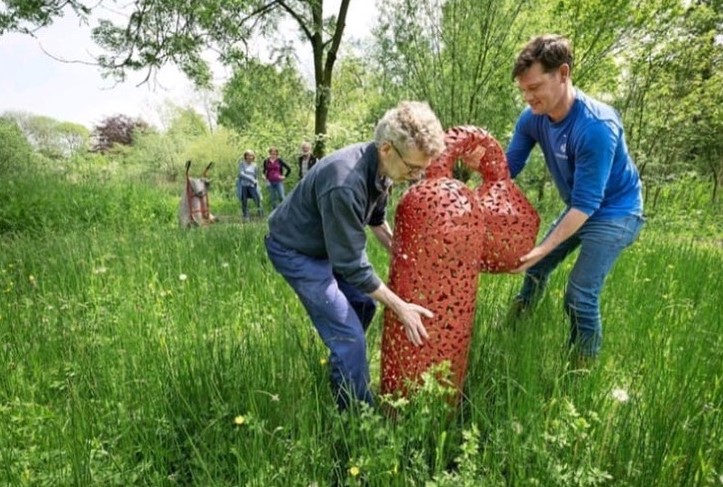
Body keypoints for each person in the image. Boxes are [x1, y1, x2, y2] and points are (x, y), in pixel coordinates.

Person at [264, 101, 446, 410]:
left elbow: (375, 221)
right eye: (413, 168)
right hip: (297, 251)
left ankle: (344, 367)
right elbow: (351, 265)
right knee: (350, 336)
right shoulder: (345, 183)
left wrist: (406, 259)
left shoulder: (384, 167)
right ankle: (358, 418)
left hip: (327, 244)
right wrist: (401, 307)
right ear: (387, 148)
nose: (416, 177)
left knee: (363, 304)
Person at [505, 34, 644, 361]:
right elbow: (507, 167)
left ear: (563, 73)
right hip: (581, 207)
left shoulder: (596, 126)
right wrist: (478, 163)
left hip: (616, 212)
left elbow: (585, 205)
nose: (528, 97)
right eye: (523, 89)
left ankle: (581, 365)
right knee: (535, 269)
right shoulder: (533, 118)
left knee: (579, 294)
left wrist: (541, 248)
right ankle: (515, 325)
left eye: (535, 87)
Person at [236, 149, 263, 220]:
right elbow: (241, 174)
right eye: (248, 155)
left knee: (257, 199)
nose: (249, 157)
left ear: (253, 157)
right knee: (244, 201)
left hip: (252, 185)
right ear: (245, 156)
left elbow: (256, 175)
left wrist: (256, 182)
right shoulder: (242, 164)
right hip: (244, 185)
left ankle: (260, 214)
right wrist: (251, 179)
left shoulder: (255, 165)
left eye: (251, 155)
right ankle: (246, 215)